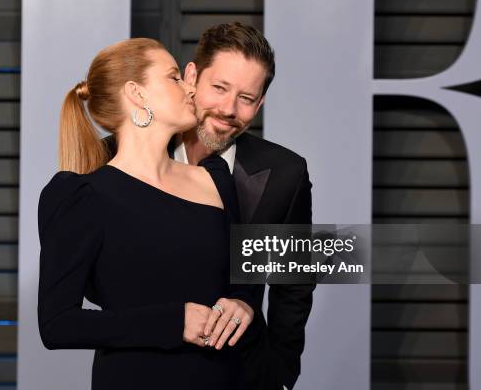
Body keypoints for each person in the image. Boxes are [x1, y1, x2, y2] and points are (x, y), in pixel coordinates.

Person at [37, 38, 258, 390]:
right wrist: (173, 322)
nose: (190, 87)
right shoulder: (80, 196)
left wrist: (244, 305)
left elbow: (243, 281)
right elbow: (57, 324)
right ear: (137, 94)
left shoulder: (216, 177)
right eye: (174, 77)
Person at [178, 22, 315, 390]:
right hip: (142, 370)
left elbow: (295, 280)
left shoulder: (287, 173)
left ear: (261, 102)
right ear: (191, 76)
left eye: (246, 98)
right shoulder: (124, 156)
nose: (228, 109)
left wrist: (281, 370)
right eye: (219, 88)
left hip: (243, 373)